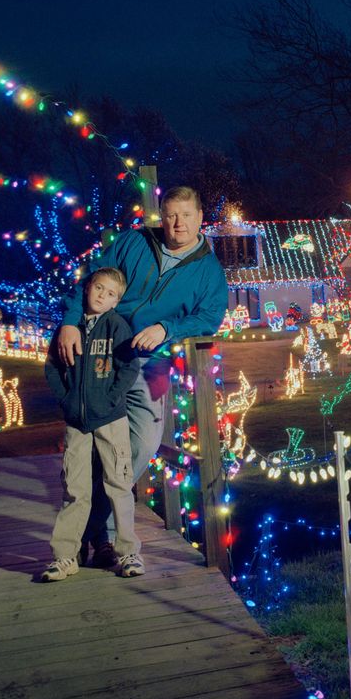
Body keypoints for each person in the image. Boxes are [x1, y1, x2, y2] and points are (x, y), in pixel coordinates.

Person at [55, 185, 228, 567]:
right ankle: (105, 538)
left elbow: (209, 316)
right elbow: (90, 279)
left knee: (144, 444)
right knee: (95, 445)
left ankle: (88, 523)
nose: (177, 223)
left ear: (200, 218)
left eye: (185, 214)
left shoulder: (209, 270)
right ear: (160, 216)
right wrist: (70, 322)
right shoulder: (133, 243)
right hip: (103, 358)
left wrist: (168, 329)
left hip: (152, 366)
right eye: (170, 214)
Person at [40, 267, 142, 581]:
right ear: (87, 289)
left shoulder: (117, 327)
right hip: (77, 423)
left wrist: (110, 399)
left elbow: (128, 368)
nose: (102, 295)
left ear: (116, 302)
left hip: (111, 419)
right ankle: (65, 556)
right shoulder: (67, 329)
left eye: (111, 293)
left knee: (119, 486)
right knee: (75, 489)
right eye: (99, 288)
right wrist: (67, 401)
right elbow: (53, 368)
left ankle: (128, 553)